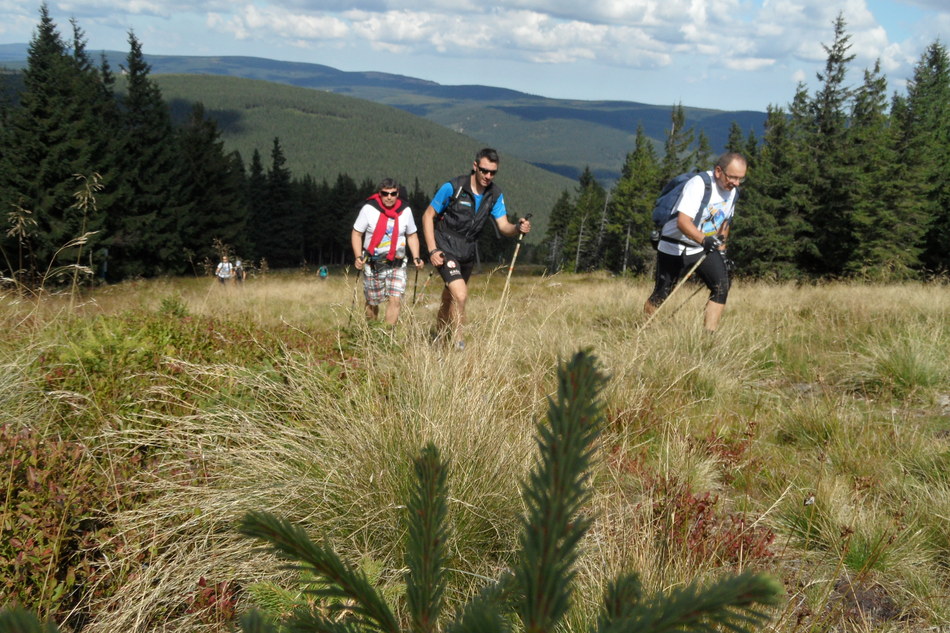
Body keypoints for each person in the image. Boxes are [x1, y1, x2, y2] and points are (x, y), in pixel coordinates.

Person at [422, 148, 531, 348]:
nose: (488, 176)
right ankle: (458, 343)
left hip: (468, 252)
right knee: (461, 294)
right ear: (475, 166)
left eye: (493, 172)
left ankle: (439, 338)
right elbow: (428, 216)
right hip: (445, 247)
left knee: (450, 297)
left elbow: (504, 226)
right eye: (484, 170)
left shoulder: (495, 195)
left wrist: (517, 227)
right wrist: (432, 250)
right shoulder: (453, 187)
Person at [643, 152, 747, 332]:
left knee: (721, 286)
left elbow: (724, 222)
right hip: (674, 244)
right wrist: (704, 240)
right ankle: (646, 329)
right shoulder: (699, 185)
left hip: (701, 246)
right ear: (718, 171)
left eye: (741, 179)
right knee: (662, 293)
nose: (736, 183)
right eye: (733, 177)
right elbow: (682, 222)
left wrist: (722, 251)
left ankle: (708, 338)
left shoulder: (733, 192)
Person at [351, 178, 424, 325]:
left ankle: (387, 336)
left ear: (397, 194)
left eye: (393, 193)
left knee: (395, 299)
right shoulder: (369, 209)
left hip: (397, 263)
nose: (389, 197)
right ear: (380, 193)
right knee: (372, 301)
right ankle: (372, 332)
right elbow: (356, 233)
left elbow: (412, 235)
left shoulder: (405, 210)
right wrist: (358, 256)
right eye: (385, 194)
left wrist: (416, 257)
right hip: (373, 263)